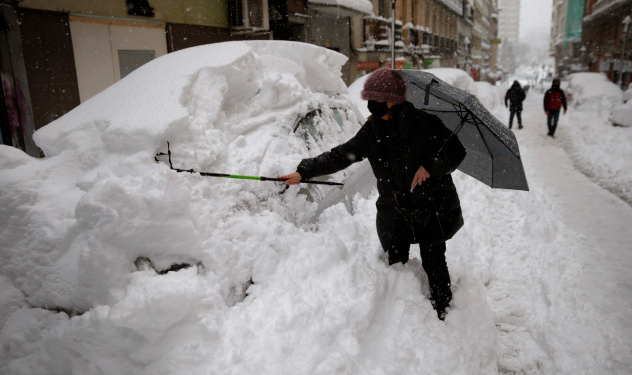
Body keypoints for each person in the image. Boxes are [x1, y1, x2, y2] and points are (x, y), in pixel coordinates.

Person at [278, 68, 466, 320]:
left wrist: (430, 166)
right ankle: (399, 316)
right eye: (370, 100)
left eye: (377, 100)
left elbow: (455, 151)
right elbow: (342, 155)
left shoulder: (426, 123)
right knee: (396, 263)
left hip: (430, 207)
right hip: (396, 211)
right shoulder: (372, 131)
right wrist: (305, 171)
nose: (372, 105)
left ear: (394, 99)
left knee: (433, 260)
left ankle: (444, 312)